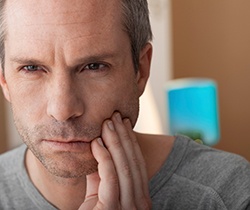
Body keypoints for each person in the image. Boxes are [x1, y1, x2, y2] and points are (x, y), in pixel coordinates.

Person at [0, 0, 250, 209]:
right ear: (4, 80)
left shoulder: (230, 194)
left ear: (141, 70)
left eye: (93, 67)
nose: (63, 110)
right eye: (31, 68)